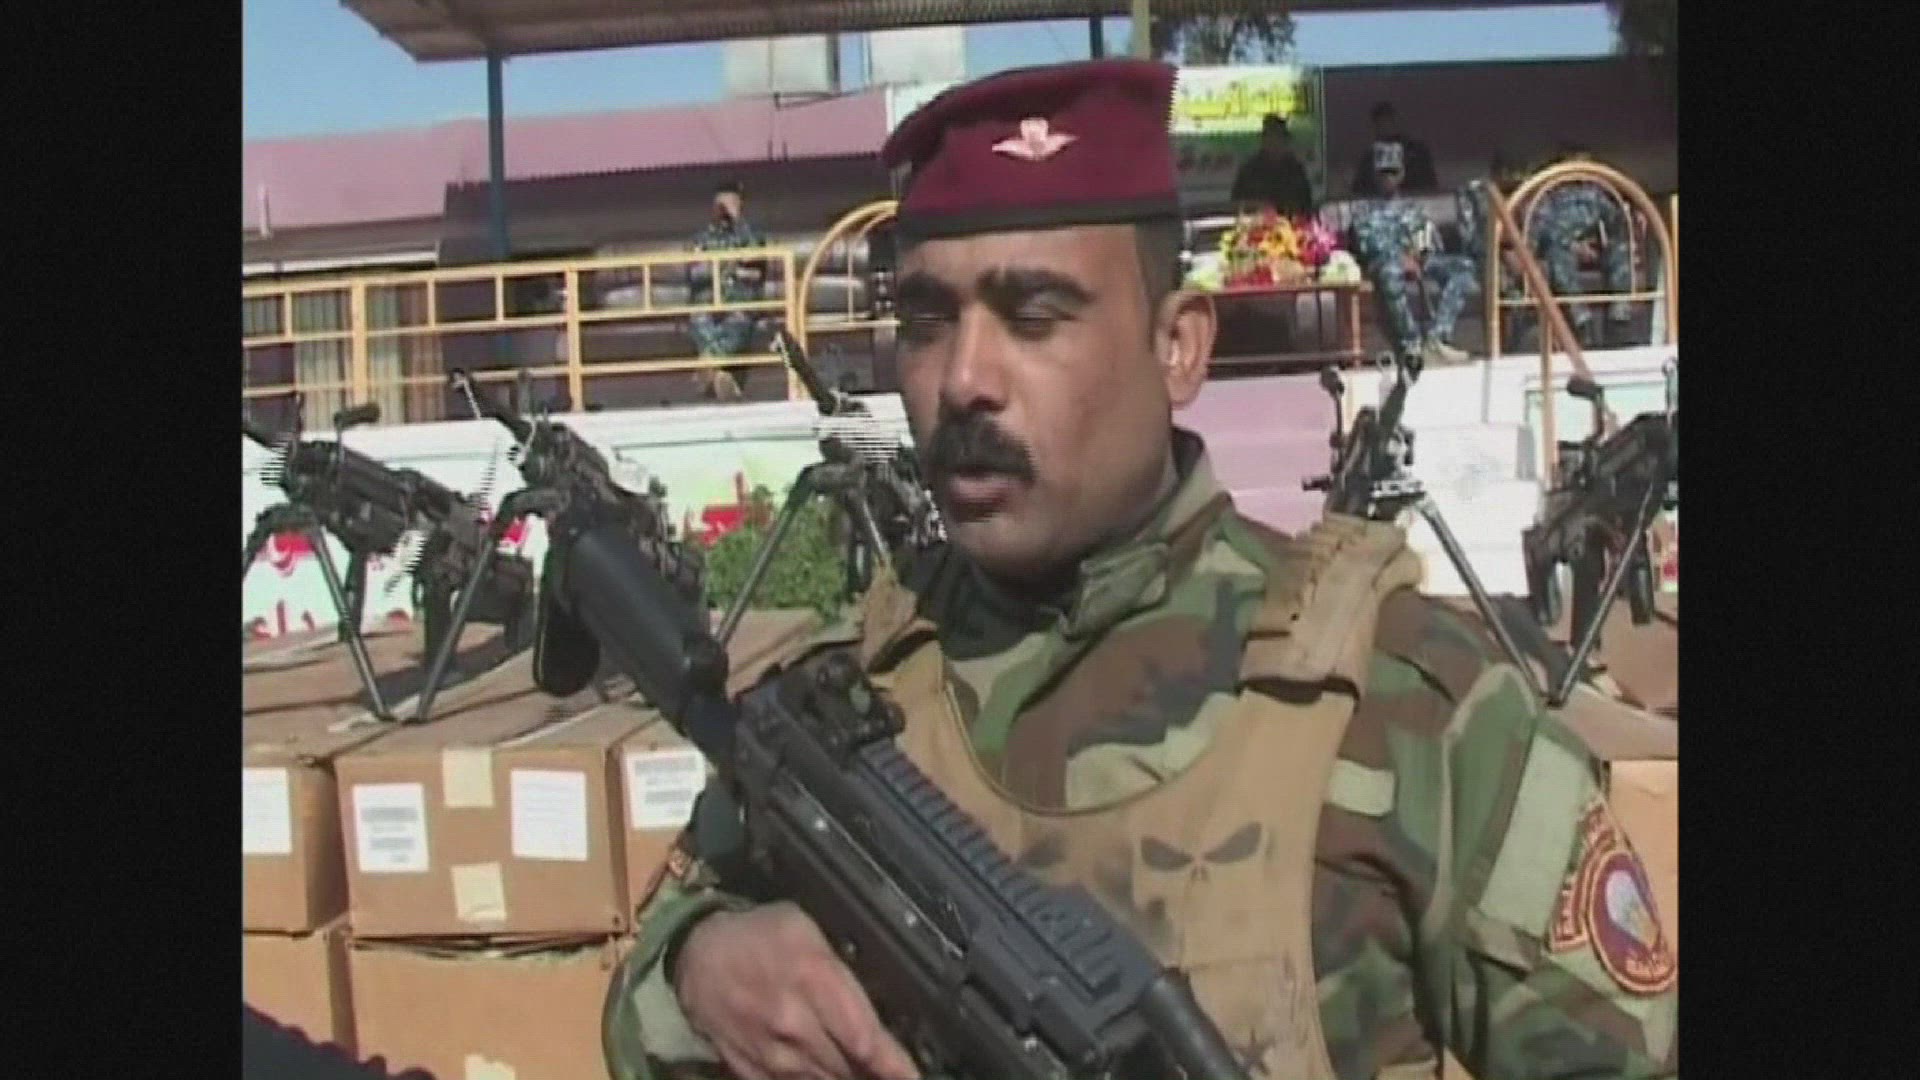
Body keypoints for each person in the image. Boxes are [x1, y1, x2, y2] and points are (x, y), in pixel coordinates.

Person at [603, 59, 1678, 1080]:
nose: (964, 378)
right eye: (927, 321)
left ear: (1180, 348)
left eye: (1034, 316)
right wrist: (697, 974)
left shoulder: (1412, 703)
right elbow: (645, 985)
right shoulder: (852, 697)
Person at [1352, 141, 1476, 365]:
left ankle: (1437, 338)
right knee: (1390, 273)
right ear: (1374, 175)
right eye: (1383, 173)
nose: (1388, 178)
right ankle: (1411, 344)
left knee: (1463, 267)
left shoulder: (1413, 208)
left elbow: (1426, 238)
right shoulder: (1363, 210)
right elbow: (1368, 246)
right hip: (1384, 264)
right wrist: (1400, 259)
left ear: (1402, 174)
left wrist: (1420, 255)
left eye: (1393, 172)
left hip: (1417, 261)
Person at [1528, 145, 1636, 348]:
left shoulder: (1594, 192)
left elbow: (1615, 221)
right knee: (1559, 259)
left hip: (1591, 246)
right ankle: (1581, 322)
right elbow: (1541, 231)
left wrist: (1623, 227)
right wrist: (1573, 246)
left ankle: (1619, 320)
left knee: (1620, 251)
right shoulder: (1548, 193)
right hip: (1558, 248)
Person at [687, 181, 768, 399]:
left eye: (731, 202)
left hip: (741, 300)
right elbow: (695, 271)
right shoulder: (702, 237)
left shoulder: (752, 235)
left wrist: (738, 221)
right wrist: (727, 267)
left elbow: (754, 261)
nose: (725, 208)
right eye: (721, 203)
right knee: (699, 320)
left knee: (738, 322)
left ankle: (709, 365)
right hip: (708, 300)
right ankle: (722, 377)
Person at [1230, 114, 1316, 217]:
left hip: (1290, 223)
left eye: (1278, 138)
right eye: (1270, 138)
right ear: (1263, 141)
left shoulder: (1295, 170)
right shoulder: (1249, 170)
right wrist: (1258, 207)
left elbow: (1306, 206)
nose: (1274, 143)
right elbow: (1237, 204)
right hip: (1258, 223)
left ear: (1285, 141)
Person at [1349, 101, 1437, 196]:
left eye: (1388, 121)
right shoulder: (1369, 158)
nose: (1385, 126)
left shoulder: (1417, 151)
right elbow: (1358, 190)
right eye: (1380, 122)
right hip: (1379, 203)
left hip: (1415, 201)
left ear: (1396, 122)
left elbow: (1430, 185)